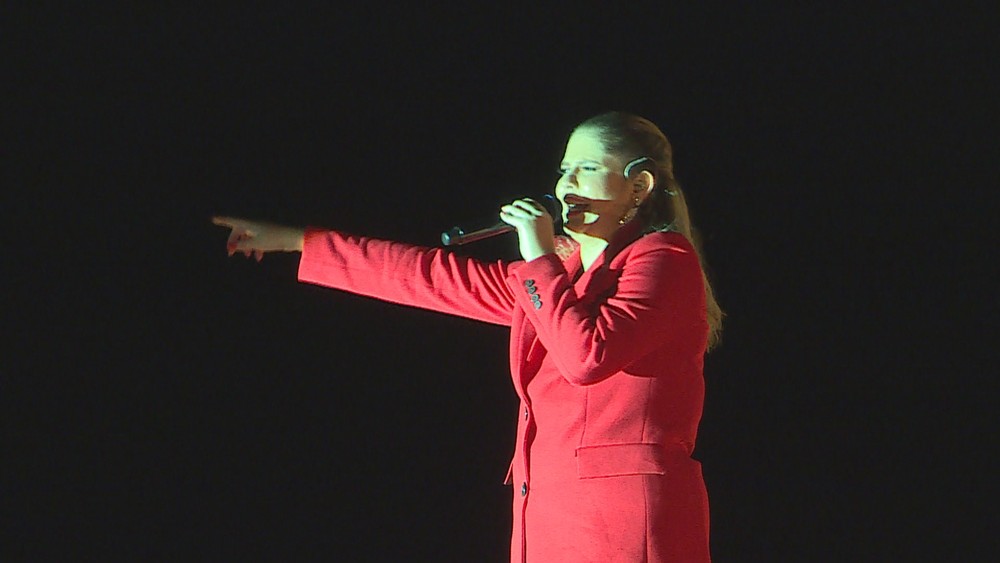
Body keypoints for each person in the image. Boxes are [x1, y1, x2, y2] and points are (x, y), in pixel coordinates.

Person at [213, 111, 724, 562]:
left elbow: (588, 355)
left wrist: (538, 257)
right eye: (564, 168)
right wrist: (300, 243)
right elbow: (432, 277)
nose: (566, 184)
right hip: (552, 516)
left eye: (587, 169)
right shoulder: (560, 278)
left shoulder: (663, 259)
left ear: (640, 186)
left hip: (624, 521)